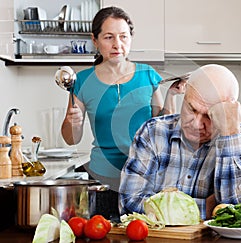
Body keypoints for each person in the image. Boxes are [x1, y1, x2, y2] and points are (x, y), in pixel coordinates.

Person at [61, 7, 184, 219]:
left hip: (145, 177)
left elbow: (161, 129)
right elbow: (71, 139)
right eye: (109, 37)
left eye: (123, 37)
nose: (117, 44)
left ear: (131, 38)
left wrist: (172, 96)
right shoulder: (81, 82)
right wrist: (74, 122)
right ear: (95, 40)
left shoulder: (148, 75)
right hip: (103, 178)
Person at [119, 64, 241, 220]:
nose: (196, 124)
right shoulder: (152, 132)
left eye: (209, 116)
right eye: (191, 109)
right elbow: (129, 204)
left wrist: (230, 134)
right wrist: (207, 209)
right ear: (185, 94)